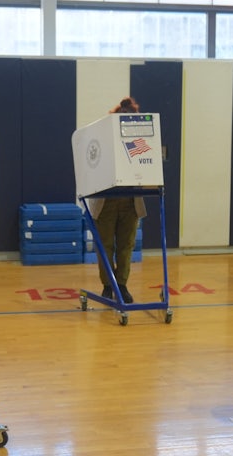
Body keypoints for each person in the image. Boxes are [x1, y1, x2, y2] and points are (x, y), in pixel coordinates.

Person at [88, 96, 147, 304]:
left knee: (126, 246)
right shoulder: (102, 139)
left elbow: (146, 165)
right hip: (106, 199)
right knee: (104, 246)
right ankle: (108, 285)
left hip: (131, 199)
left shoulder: (142, 140)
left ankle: (121, 285)